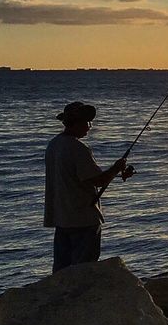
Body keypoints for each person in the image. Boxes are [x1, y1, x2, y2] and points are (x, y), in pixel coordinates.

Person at [44, 101, 134, 272]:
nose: (90, 127)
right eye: (87, 122)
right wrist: (116, 168)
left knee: (61, 270)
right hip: (82, 218)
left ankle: (60, 297)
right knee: (84, 270)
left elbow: (75, 179)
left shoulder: (53, 145)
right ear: (76, 123)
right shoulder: (78, 148)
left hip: (62, 218)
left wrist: (115, 172)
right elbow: (97, 180)